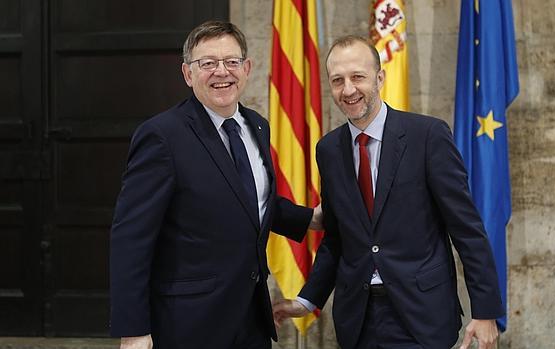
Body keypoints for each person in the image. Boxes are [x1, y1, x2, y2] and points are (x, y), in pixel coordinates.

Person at [272, 35, 504, 349]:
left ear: (380, 77)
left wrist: (486, 311)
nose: (349, 89)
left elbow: (466, 229)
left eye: (358, 77)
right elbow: (338, 237)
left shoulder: (428, 136)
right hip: (358, 320)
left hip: (421, 317)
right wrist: (306, 299)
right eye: (337, 80)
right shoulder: (328, 150)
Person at [109, 21, 322, 349]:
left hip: (252, 317)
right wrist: (134, 329)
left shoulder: (257, 126)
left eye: (231, 62)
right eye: (207, 63)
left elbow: (248, 200)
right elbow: (131, 238)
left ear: (247, 68)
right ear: (187, 74)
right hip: (189, 323)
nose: (221, 72)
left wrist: (308, 219)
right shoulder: (162, 136)